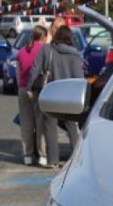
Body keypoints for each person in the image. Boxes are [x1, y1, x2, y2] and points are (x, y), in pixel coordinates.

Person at [27, 24, 84, 167]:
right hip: (70, 96)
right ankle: (76, 160)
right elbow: (80, 78)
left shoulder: (47, 50)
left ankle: (53, 161)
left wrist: (30, 88)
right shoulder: (75, 55)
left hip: (50, 93)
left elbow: (35, 68)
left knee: (50, 127)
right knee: (72, 127)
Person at [16, 25, 48, 166]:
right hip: (39, 89)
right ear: (43, 37)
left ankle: (27, 155)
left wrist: (22, 87)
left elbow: (18, 73)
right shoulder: (44, 50)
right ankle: (42, 155)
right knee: (40, 122)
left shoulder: (22, 51)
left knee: (26, 124)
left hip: (23, 89)